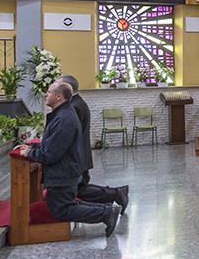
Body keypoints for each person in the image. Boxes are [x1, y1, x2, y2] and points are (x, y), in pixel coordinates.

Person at [13, 81, 119, 237]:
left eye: (48, 92)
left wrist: (29, 154)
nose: (45, 95)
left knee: (62, 210)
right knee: (65, 205)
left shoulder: (64, 119)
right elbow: (51, 144)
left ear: (58, 97)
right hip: (64, 171)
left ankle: (106, 213)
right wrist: (33, 149)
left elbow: (51, 153)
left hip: (63, 173)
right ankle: (107, 209)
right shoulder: (62, 114)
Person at [58, 75, 129, 211]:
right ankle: (116, 195)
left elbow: (70, 135)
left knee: (79, 189)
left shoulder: (74, 106)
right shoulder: (76, 103)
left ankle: (114, 198)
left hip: (78, 156)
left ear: (68, 88)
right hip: (80, 155)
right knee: (80, 188)